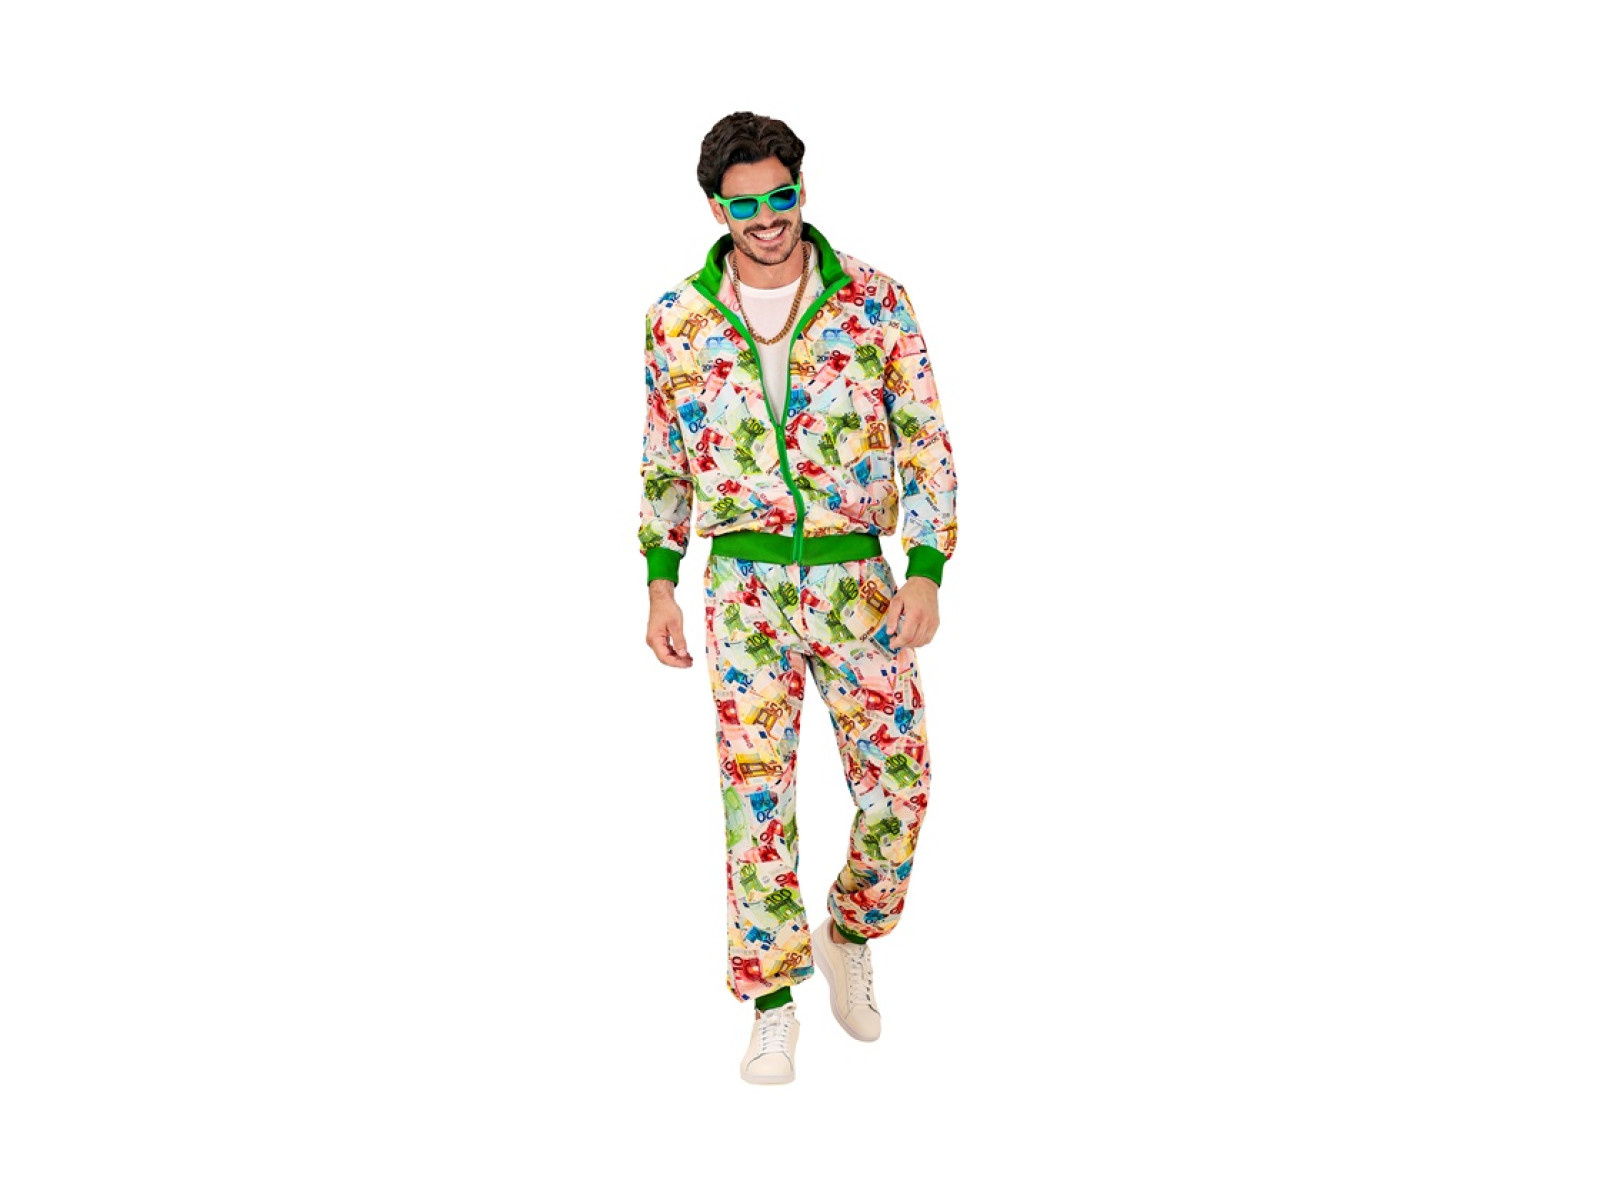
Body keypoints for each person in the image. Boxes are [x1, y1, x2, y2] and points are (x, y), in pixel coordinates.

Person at [637, 111, 958, 1085]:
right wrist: (660, 581)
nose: (767, 218)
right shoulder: (677, 319)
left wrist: (926, 566)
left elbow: (925, 437)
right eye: (746, 205)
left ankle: (848, 928)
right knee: (756, 800)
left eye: (781, 196)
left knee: (900, 784)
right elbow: (664, 459)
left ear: (802, 191)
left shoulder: (873, 300)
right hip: (742, 589)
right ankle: (771, 1001)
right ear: (716, 209)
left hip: (857, 579)